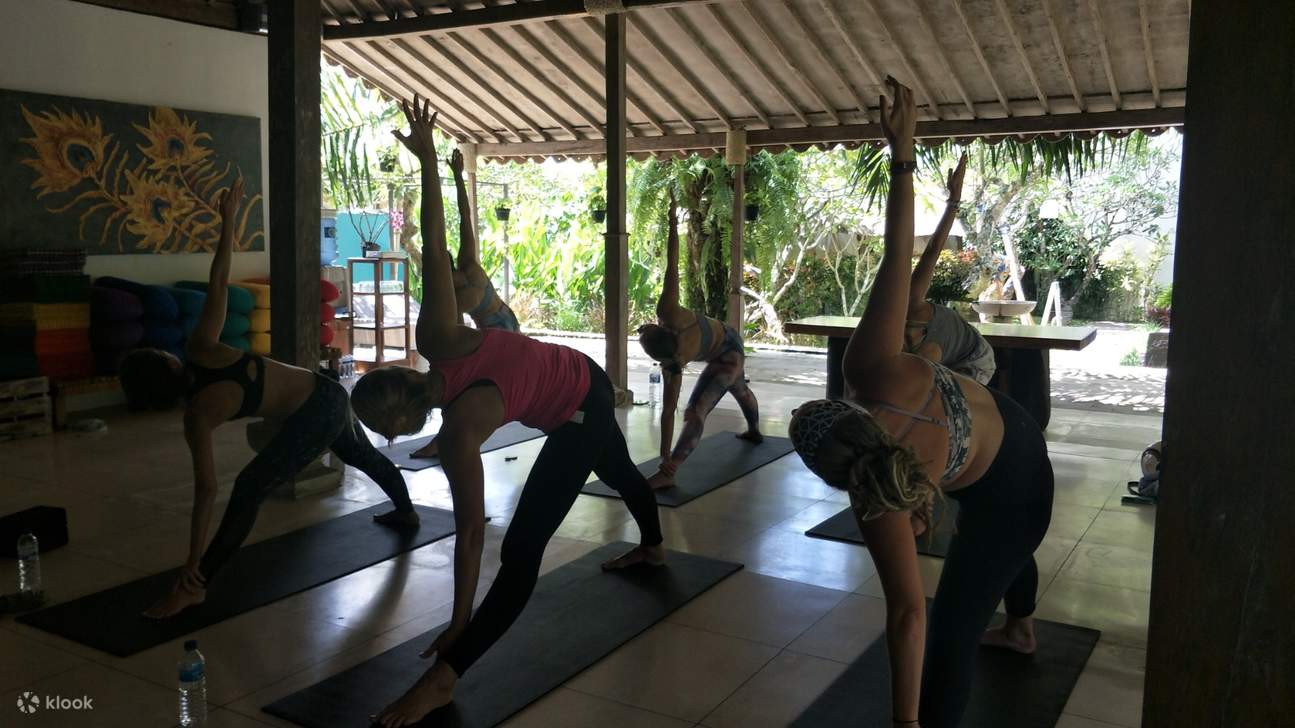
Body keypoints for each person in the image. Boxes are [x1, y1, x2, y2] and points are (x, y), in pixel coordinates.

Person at [349, 97, 664, 727]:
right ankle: (653, 547)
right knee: (622, 473)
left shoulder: (462, 434)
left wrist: (461, 622)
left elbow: (473, 535)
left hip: (581, 402)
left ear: (399, 428)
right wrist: (433, 163)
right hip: (580, 376)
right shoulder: (437, 336)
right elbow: (436, 245)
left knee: (521, 552)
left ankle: (445, 679)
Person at [787, 78, 1053, 728]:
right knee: (1006, 546)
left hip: (1009, 484)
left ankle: (1010, 624)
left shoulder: (875, 494)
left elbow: (909, 617)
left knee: (953, 629)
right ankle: (1019, 623)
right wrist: (903, 152)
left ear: (835, 479)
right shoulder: (868, 364)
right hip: (1010, 431)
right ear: (843, 403)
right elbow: (894, 254)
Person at [119, 178, 419, 620]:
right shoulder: (201, 349)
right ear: (167, 363)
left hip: (322, 402)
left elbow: (206, 493)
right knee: (354, 454)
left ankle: (195, 588)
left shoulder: (196, 417)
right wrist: (226, 222)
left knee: (250, 486)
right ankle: (407, 513)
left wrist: (192, 560)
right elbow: (218, 282)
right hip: (325, 394)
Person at [636, 197, 762, 490]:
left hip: (729, 351)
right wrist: (662, 453)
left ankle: (671, 473)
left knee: (696, 411)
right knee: (738, 387)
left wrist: (667, 460)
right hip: (727, 342)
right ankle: (755, 430)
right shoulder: (671, 329)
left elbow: (673, 265)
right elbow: (672, 264)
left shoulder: (673, 342)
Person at [408, 147, 520, 460]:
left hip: (505, 335)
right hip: (506, 326)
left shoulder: (463, 281)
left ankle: (449, 439)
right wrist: (456, 177)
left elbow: (464, 220)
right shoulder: (468, 272)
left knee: (455, 385)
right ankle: (444, 439)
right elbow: (462, 221)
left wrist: (458, 178)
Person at [904, 154, 996, 385]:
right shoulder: (896, 314)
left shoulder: (927, 345)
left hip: (975, 361)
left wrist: (954, 201)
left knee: (933, 398)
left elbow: (934, 250)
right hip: (943, 346)